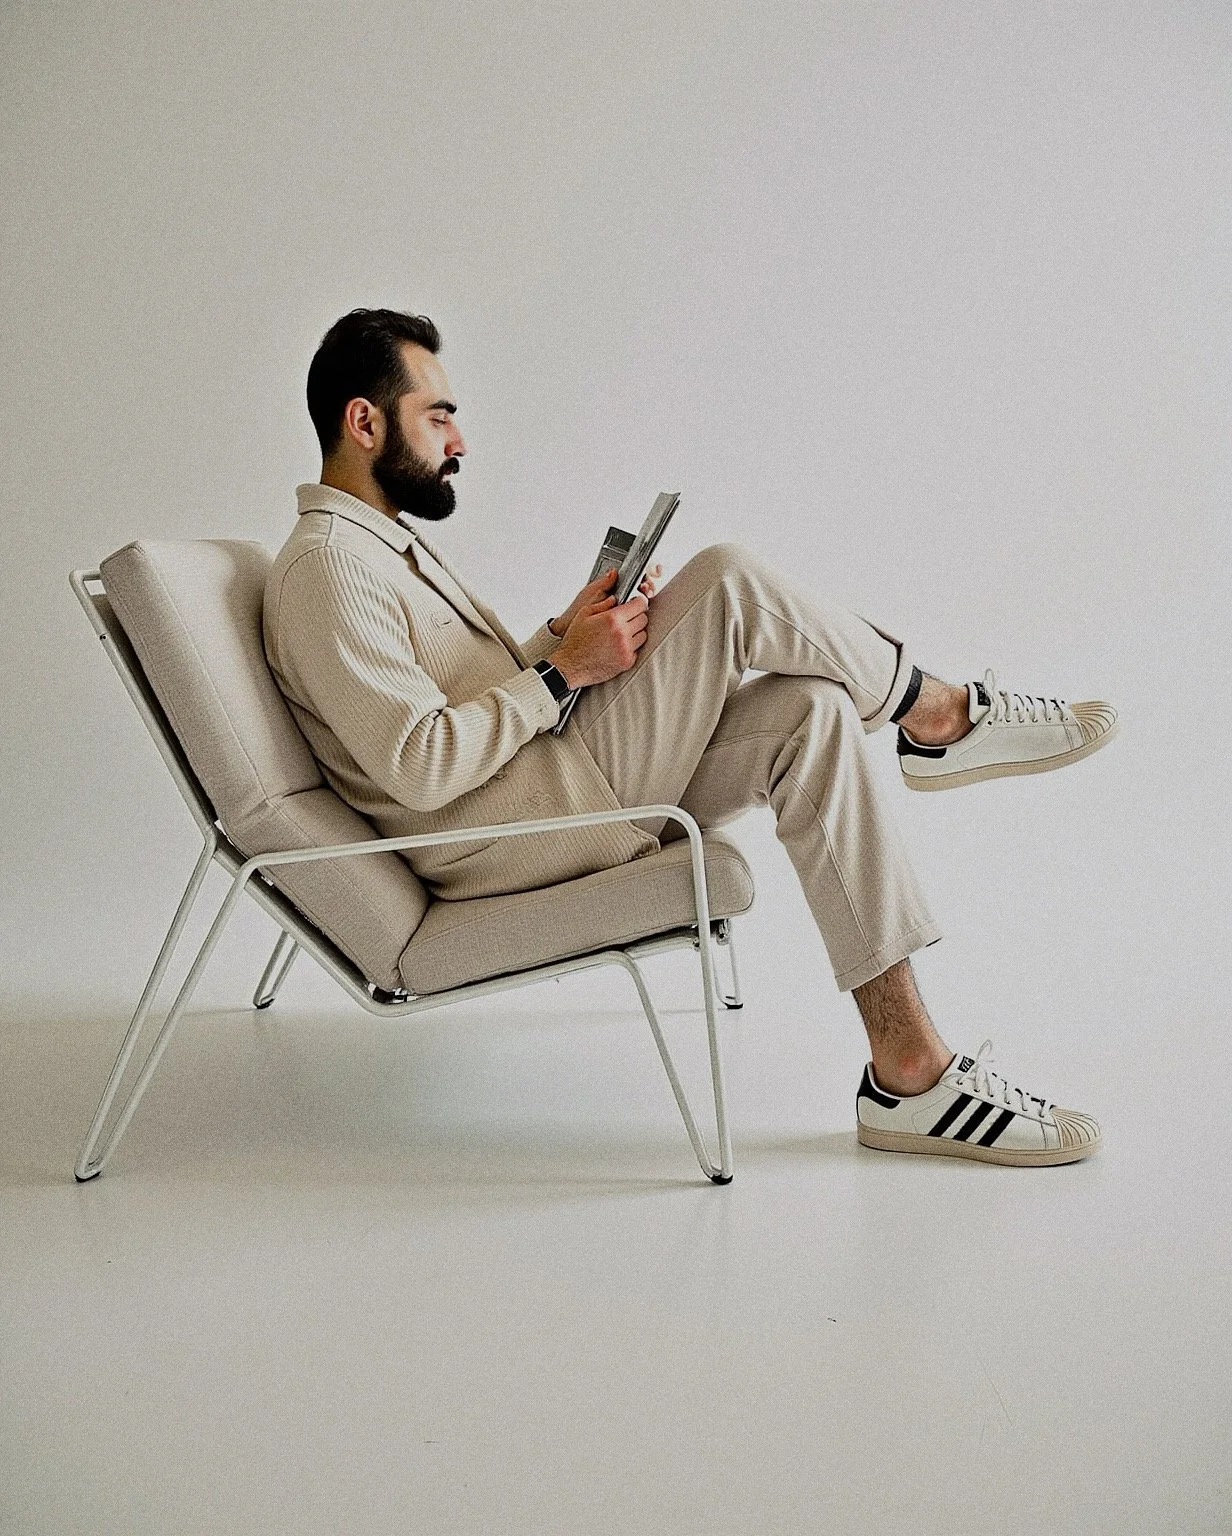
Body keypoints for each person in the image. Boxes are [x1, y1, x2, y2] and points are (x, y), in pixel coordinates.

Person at [264, 308, 1118, 1169]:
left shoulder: (376, 546)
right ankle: (940, 717)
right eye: (438, 415)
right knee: (728, 579)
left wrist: (561, 634)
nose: (459, 441)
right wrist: (563, 673)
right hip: (524, 826)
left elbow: (453, 698)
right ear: (364, 421)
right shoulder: (330, 566)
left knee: (811, 712)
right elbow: (417, 763)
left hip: (545, 782)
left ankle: (910, 1074)